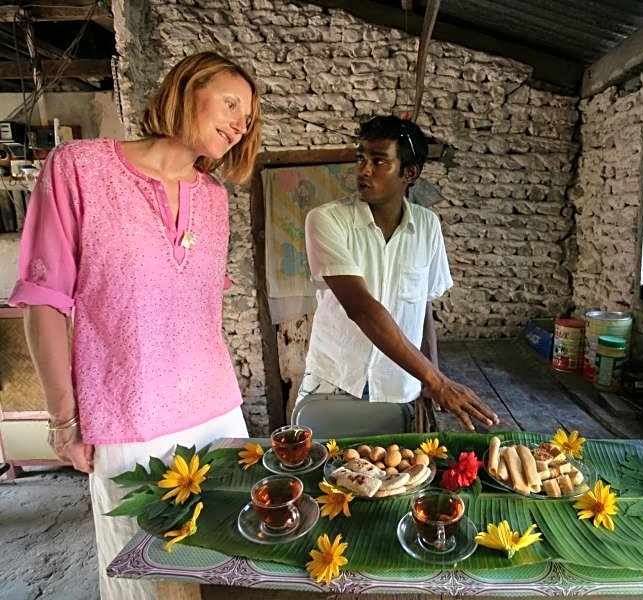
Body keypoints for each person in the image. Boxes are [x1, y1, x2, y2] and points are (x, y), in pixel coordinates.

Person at [9, 51, 261, 599]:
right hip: (126, 418)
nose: (240, 125)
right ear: (187, 90)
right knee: (146, 578)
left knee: (228, 566)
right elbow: (45, 301)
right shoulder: (80, 168)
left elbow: (198, 314)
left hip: (217, 414)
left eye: (248, 119)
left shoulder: (214, 199)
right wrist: (63, 419)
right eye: (231, 104)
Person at [293, 115, 499, 432]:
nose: (364, 170)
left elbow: (423, 308)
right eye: (361, 159)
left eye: (379, 161)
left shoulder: (427, 226)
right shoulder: (327, 220)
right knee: (320, 462)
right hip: (335, 383)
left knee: (390, 464)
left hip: (397, 388)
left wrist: (429, 379)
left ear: (409, 173)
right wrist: (437, 380)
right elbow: (361, 308)